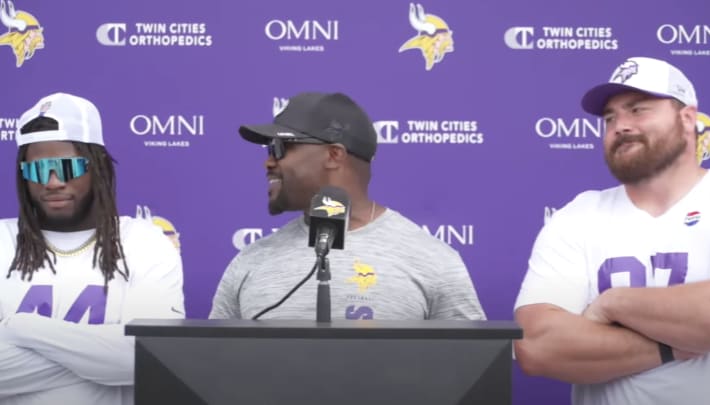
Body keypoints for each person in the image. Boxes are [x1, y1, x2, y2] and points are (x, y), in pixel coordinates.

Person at [514, 56, 710, 405]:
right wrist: (675, 345)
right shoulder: (578, 215)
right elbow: (537, 347)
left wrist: (613, 303)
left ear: (687, 119)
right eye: (610, 118)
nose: (620, 125)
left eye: (638, 110)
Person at [210, 92, 484, 321]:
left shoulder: (432, 260)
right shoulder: (250, 261)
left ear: (333, 155)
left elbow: (471, 370)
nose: (269, 162)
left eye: (279, 148)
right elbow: (213, 365)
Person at [0, 93, 185, 404]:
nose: (53, 181)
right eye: (37, 170)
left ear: (97, 165)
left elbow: (149, 359)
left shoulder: (144, 242)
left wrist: (21, 327)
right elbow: (128, 360)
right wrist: (100, 359)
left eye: (67, 167)